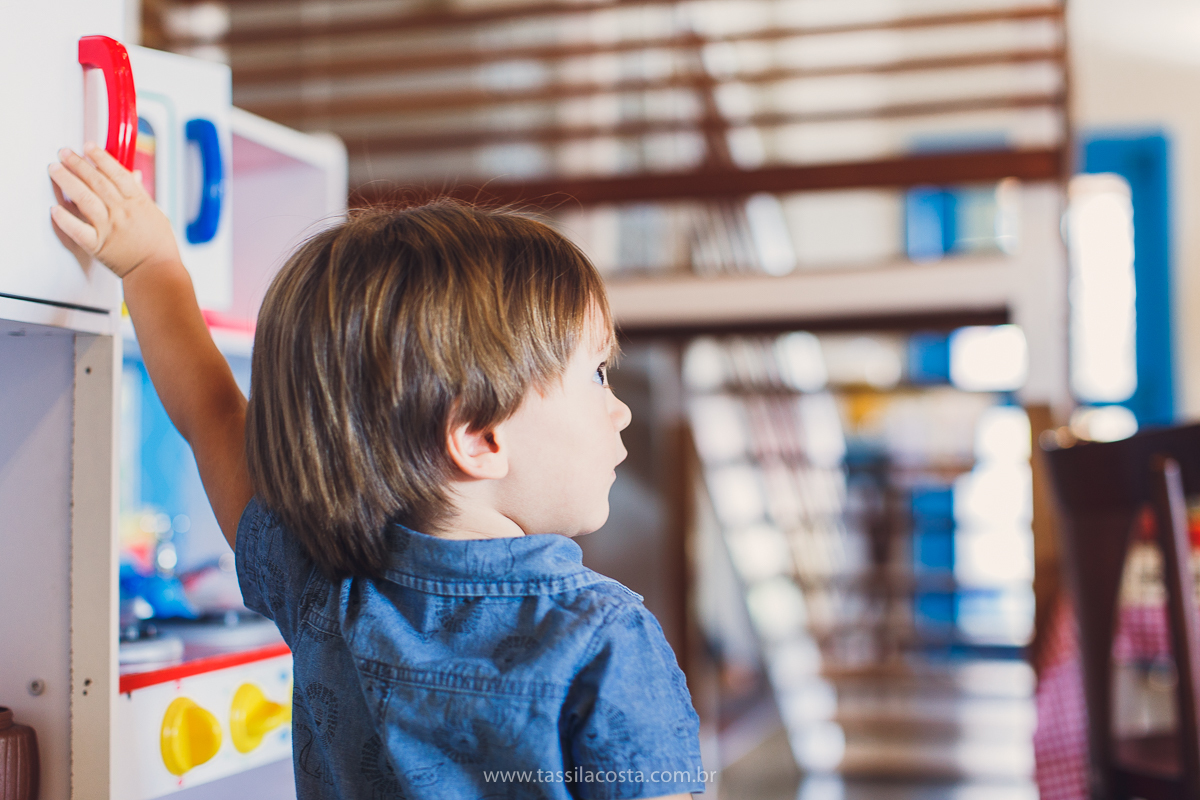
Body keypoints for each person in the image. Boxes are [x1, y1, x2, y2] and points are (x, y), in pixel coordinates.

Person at [49, 144, 706, 799]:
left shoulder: (319, 587)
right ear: (478, 436)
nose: (621, 410)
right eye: (597, 373)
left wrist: (148, 261)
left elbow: (211, 414)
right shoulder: (606, 642)